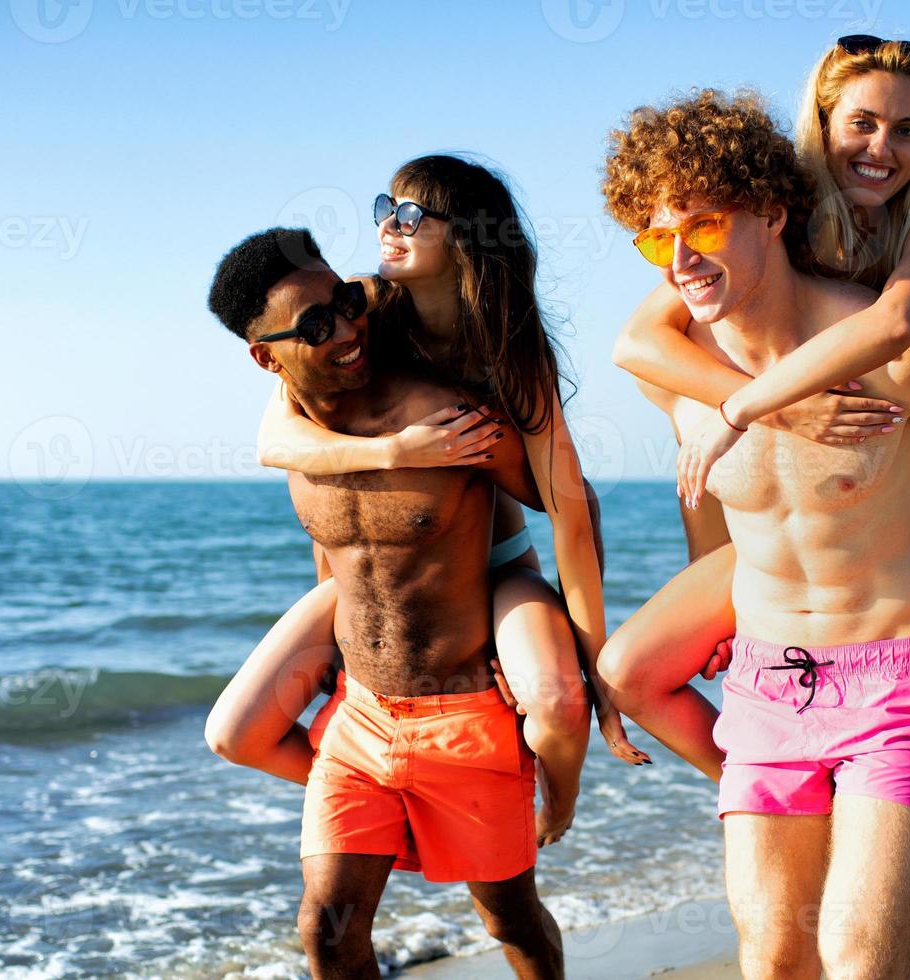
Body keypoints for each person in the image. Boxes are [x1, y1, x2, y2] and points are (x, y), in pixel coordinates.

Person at [600, 89, 910, 978]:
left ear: (772, 213)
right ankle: (790, 805)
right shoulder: (680, 375)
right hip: (765, 688)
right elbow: (703, 493)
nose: (678, 259)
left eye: (701, 225)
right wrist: (719, 600)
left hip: (891, 679)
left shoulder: (890, 357)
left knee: (857, 959)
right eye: (656, 238)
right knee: (774, 957)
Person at [207, 155, 633, 855]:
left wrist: (601, 674)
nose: (386, 226)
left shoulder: (510, 346)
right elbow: (275, 438)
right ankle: (396, 814)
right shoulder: (361, 307)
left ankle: (552, 801)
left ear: (465, 238)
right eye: (384, 208)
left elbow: (572, 515)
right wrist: (400, 452)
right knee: (233, 731)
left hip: (494, 562)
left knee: (557, 704)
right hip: (385, 562)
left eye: (409, 215)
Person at [206, 227, 564, 979]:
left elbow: (565, 503)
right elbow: (334, 561)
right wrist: (335, 664)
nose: (342, 330)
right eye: (312, 326)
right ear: (265, 357)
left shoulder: (447, 417)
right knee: (328, 933)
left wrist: (564, 652)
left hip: (467, 717)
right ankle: (400, 815)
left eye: (341, 304)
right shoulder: (295, 437)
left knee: (512, 919)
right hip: (360, 719)